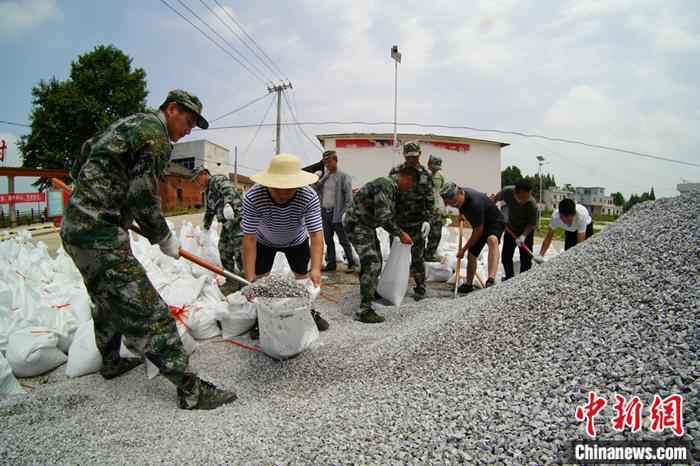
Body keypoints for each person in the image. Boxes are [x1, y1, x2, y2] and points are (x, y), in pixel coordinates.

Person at [60, 90, 237, 410]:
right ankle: (190, 389)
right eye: (188, 120)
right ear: (172, 109)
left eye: (195, 124)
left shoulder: (129, 124)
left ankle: (111, 360)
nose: (189, 129)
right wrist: (163, 237)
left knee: (105, 297)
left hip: (76, 229)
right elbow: (143, 197)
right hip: (99, 233)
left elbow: (87, 149)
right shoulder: (155, 136)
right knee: (145, 306)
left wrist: (86, 189)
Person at [241, 153, 329, 336]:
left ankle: (307, 310)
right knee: (259, 280)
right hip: (264, 241)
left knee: (303, 279)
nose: (282, 195)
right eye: (277, 189)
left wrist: (316, 269)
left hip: (296, 240)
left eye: (288, 189)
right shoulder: (252, 197)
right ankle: (261, 317)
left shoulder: (309, 196)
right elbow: (248, 239)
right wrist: (249, 278)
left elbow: (316, 235)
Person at [343, 168, 417, 323]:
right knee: (372, 262)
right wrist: (400, 234)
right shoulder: (385, 185)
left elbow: (389, 215)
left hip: (366, 225)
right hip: (357, 224)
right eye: (410, 184)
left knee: (376, 260)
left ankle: (370, 291)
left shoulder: (393, 190)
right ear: (405, 177)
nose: (409, 188)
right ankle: (364, 310)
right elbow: (383, 217)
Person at [388, 142, 434, 301]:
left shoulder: (426, 175)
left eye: (414, 157)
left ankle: (420, 286)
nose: (412, 160)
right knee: (395, 255)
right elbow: (390, 196)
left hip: (417, 223)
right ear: (404, 156)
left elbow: (430, 200)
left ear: (419, 155)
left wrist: (427, 220)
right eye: (409, 157)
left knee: (417, 257)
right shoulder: (395, 172)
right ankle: (392, 284)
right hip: (397, 223)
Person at [440, 182, 505, 294]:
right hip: (481, 224)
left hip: (494, 222)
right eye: (451, 205)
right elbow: (461, 205)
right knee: (471, 255)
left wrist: (463, 249)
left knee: (492, 240)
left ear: (460, 193)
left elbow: (478, 232)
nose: (454, 205)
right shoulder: (460, 197)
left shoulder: (475, 203)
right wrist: (461, 214)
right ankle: (468, 285)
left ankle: (491, 280)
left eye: (455, 202)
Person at [193, 167, 243, 294]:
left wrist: (228, 204)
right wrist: (205, 228)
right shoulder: (208, 192)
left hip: (238, 223)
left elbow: (228, 190)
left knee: (240, 254)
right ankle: (232, 281)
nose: (197, 183)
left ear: (204, 174)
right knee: (223, 251)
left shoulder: (217, 179)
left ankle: (246, 283)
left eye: (197, 179)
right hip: (227, 226)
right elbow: (210, 211)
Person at [313, 150, 357, 273]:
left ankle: (351, 262)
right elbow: (315, 189)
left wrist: (343, 214)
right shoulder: (325, 176)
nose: (327, 164)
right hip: (325, 212)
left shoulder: (344, 176)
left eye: (329, 161)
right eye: (325, 162)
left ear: (335, 160)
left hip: (337, 213)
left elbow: (349, 200)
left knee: (344, 240)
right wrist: (317, 178)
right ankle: (331, 264)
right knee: (328, 240)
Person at [494, 179, 538, 279]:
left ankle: (523, 280)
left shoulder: (532, 205)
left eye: (528, 196)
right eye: (523, 197)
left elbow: (531, 224)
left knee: (526, 260)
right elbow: (495, 198)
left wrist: (523, 236)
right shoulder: (507, 192)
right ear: (515, 193)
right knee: (506, 257)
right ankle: (509, 278)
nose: (526, 199)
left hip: (526, 232)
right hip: (511, 229)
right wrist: (491, 206)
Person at [425, 155, 446, 262]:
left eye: (437, 168)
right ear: (428, 164)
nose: (435, 170)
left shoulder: (440, 177)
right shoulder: (423, 175)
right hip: (425, 210)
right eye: (433, 167)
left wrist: (443, 208)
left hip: (437, 210)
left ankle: (430, 254)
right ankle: (418, 256)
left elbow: (441, 192)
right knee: (421, 234)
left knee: (436, 234)